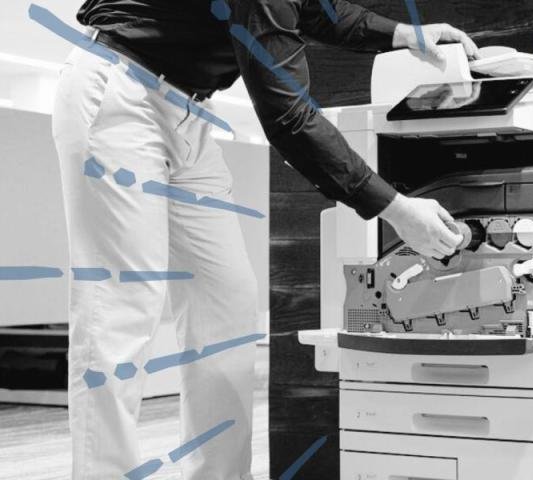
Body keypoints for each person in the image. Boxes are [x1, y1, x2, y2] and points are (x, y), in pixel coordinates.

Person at [52, 0, 478, 478]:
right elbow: (289, 115)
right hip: (119, 90)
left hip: (185, 109)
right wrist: (395, 210)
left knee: (227, 301)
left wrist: (406, 34)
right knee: (121, 307)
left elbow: (318, 10)